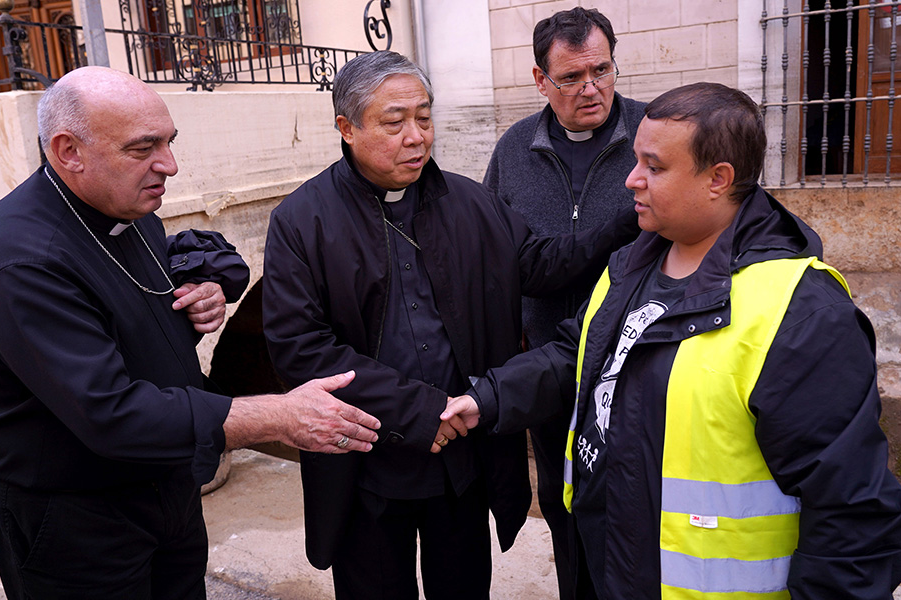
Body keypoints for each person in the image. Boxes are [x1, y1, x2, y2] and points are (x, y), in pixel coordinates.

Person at [443, 82, 901, 599]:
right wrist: (486, 398)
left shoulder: (803, 314)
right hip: (606, 563)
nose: (631, 180)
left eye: (654, 166)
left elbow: (852, 518)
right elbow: (576, 353)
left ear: (718, 178)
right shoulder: (634, 261)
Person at [0, 66, 381, 600]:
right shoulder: (20, 259)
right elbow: (111, 413)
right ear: (69, 152)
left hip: (168, 491)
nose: (170, 166)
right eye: (144, 148)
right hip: (75, 520)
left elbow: (177, 261)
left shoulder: (124, 206)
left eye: (170, 142)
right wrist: (278, 415)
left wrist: (207, 283)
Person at [261, 51, 637, 600]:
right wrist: (421, 412)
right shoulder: (300, 221)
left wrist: (632, 224)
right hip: (366, 463)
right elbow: (302, 350)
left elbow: (536, 264)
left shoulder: (468, 201)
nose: (417, 136)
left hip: (460, 458)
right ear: (347, 127)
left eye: (425, 117)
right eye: (395, 122)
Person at [482, 8, 644, 597]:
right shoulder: (513, 151)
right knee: (562, 500)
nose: (592, 88)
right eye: (572, 78)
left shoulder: (655, 136)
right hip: (552, 366)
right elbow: (500, 260)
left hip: (640, 364)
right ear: (539, 79)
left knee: (635, 504)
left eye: (602, 70)